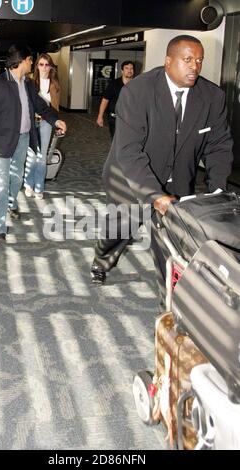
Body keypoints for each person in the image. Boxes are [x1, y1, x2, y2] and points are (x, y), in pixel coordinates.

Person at [90, 35, 233, 304]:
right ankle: (101, 260)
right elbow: (130, 151)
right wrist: (154, 196)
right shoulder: (138, 92)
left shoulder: (212, 97)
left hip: (177, 181)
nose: (195, 67)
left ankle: (170, 302)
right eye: (187, 59)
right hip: (130, 179)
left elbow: (219, 146)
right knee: (118, 230)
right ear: (168, 61)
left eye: (199, 60)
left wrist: (217, 190)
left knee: (172, 243)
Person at [0, 44, 66, 244]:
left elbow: (41, 106)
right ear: (22, 60)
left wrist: (55, 120)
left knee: (17, 179)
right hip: (1, 143)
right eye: (30, 60)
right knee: (1, 185)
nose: (32, 64)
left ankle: (10, 205)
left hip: (23, 140)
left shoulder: (28, 84)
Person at [24, 53, 60, 199]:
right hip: (31, 122)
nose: (44, 67)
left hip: (46, 122)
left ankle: (39, 187)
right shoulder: (30, 83)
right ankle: (28, 184)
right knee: (32, 156)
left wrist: (57, 122)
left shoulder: (55, 85)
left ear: (51, 66)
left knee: (42, 156)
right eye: (41, 64)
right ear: (36, 66)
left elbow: (55, 107)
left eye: (47, 64)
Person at [96, 61, 134, 139]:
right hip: (115, 118)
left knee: (129, 139)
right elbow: (105, 100)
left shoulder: (137, 84)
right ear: (122, 71)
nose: (129, 71)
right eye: (127, 68)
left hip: (130, 118)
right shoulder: (114, 84)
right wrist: (100, 116)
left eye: (131, 68)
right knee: (116, 139)